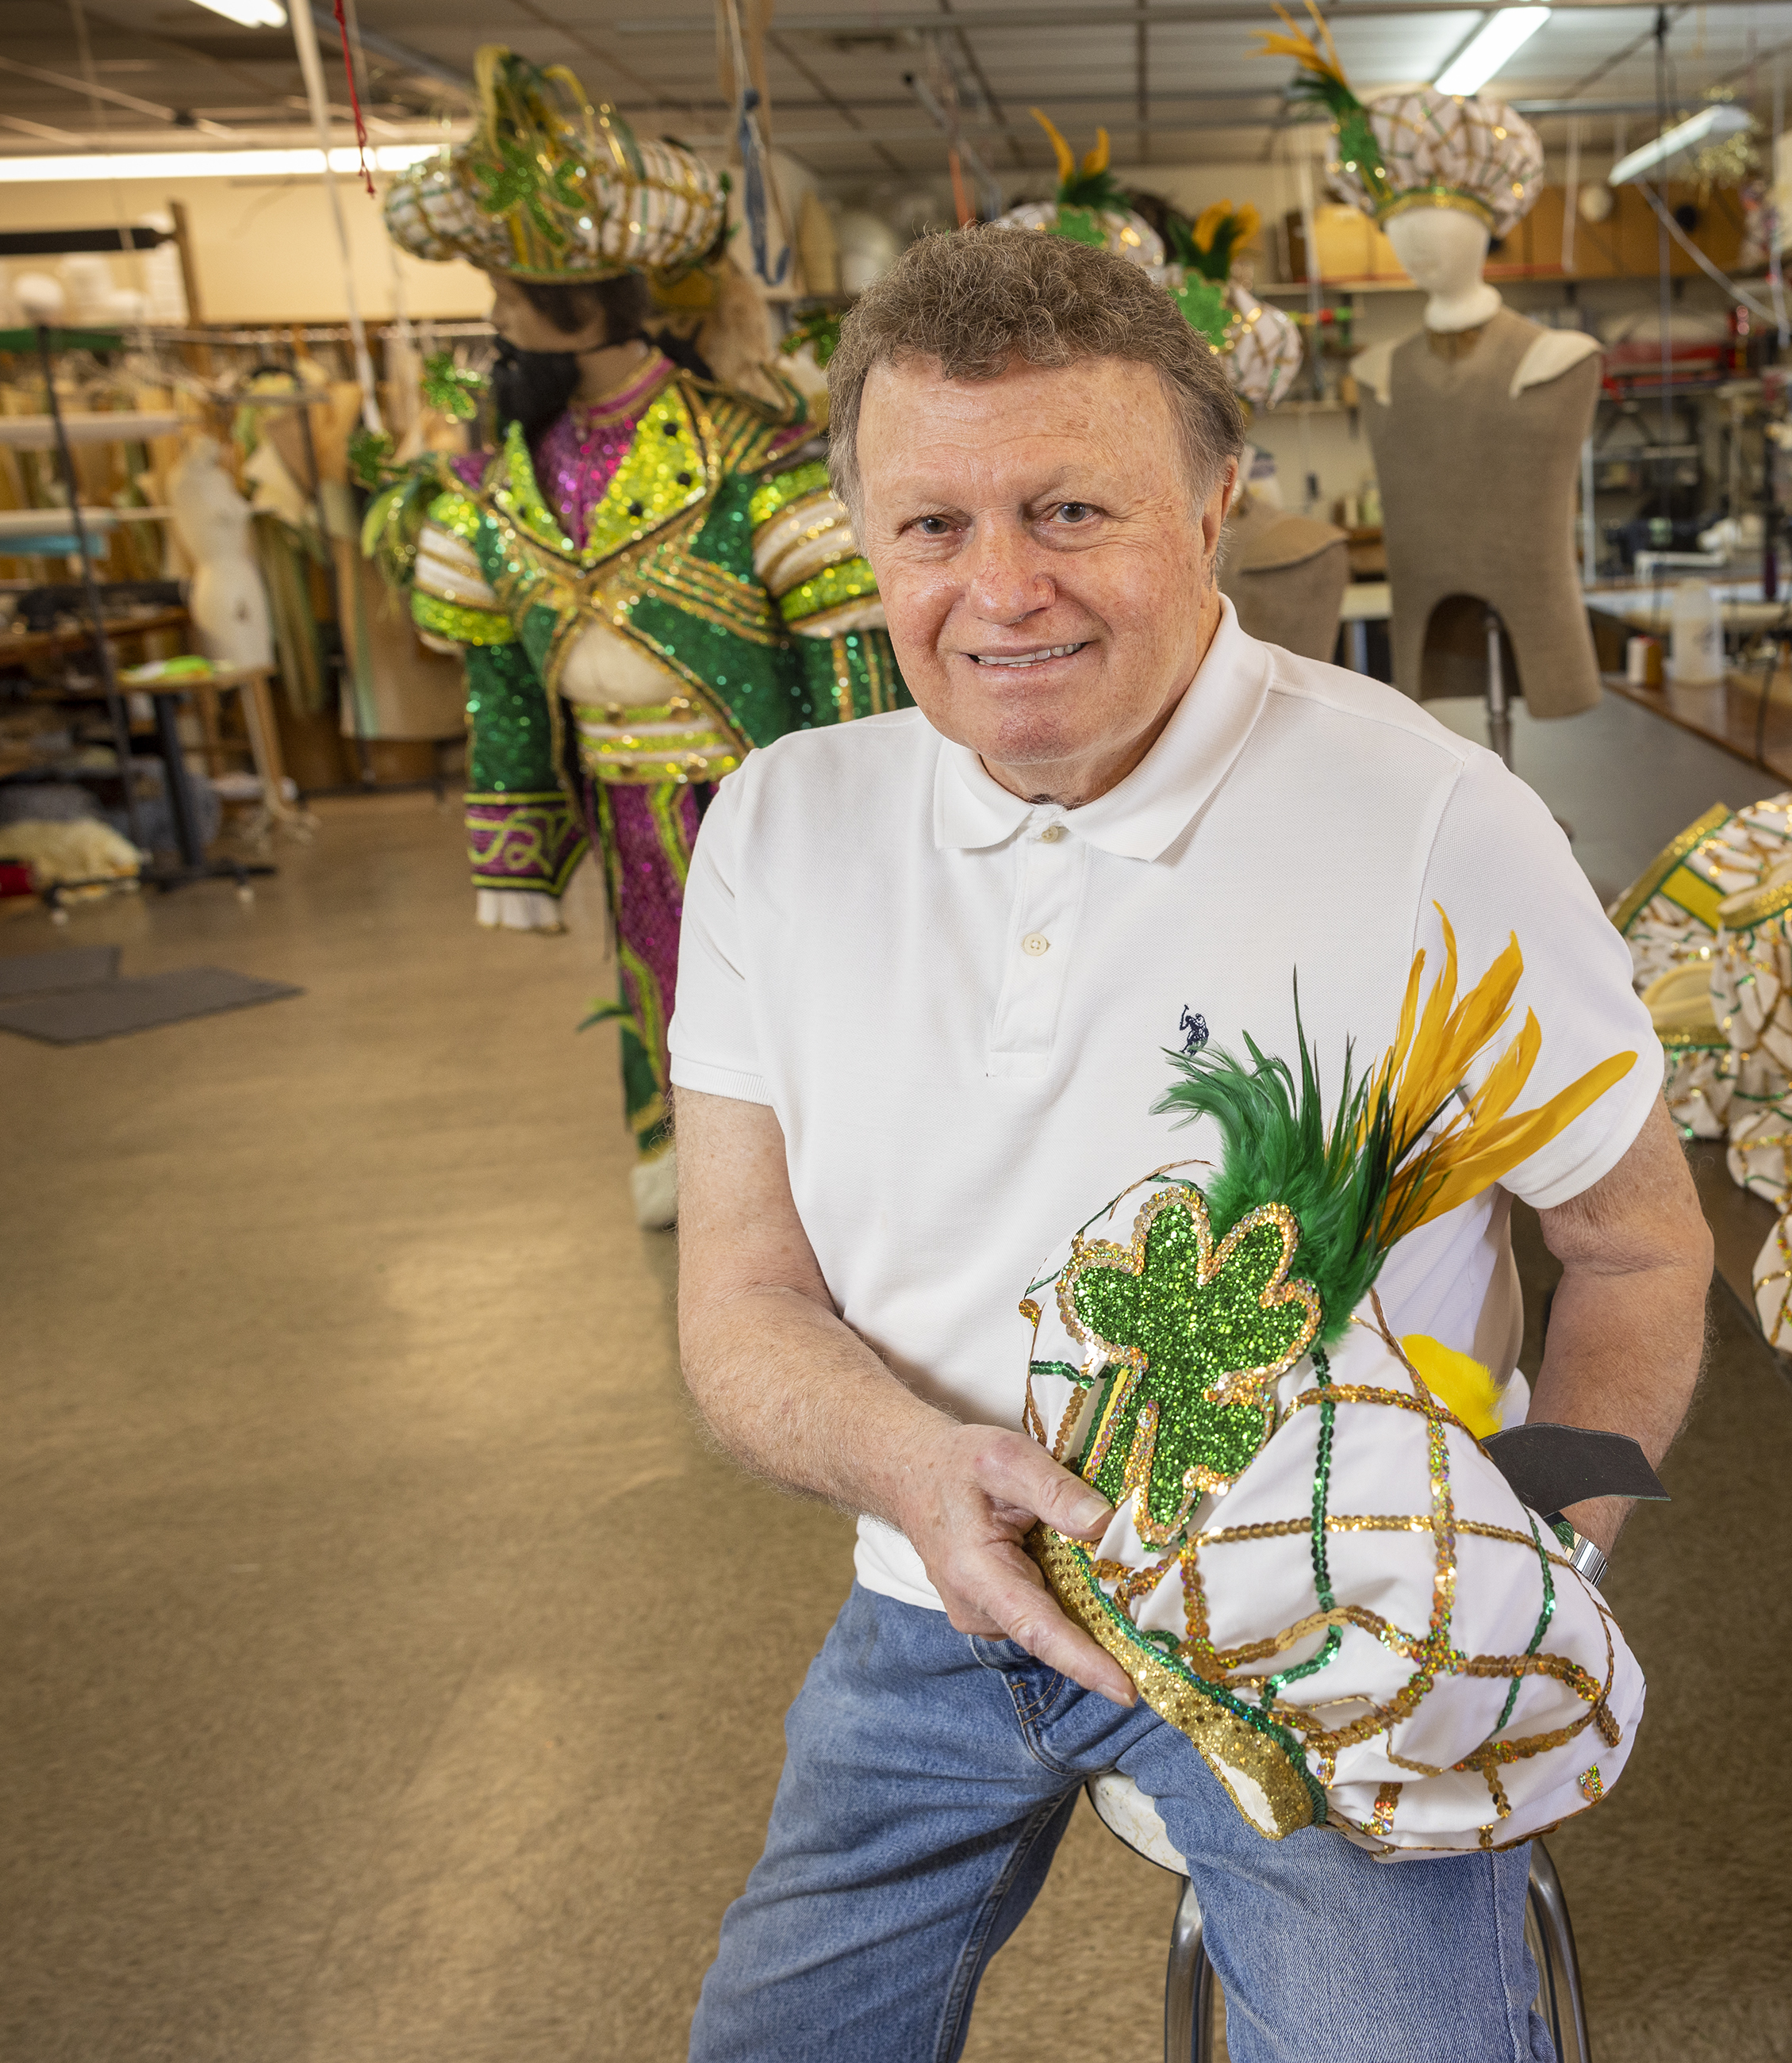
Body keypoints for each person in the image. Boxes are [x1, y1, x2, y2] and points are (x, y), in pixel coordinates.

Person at [668, 224, 1712, 2061]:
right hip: (932, 1609)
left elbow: (1638, 1244)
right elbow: (743, 1292)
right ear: (860, 539)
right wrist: (919, 1471)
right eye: (931, 527)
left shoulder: (1429, 821)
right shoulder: (777, 824)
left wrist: (1522, 1562)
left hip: (1311, 1633)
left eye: (1072, 510)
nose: (1000, 592)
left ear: (1219, 500)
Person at [379, 48, 905, 1229]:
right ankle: (682, 1158)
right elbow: (501, 677)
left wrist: (878, 816)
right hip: (620, 798)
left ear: (588, 293)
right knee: (651, 981)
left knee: (795, 985)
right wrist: (513, 834)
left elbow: (847, 663)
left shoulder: (750, 456)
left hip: (754, 790)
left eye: (512, 281)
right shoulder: (497, 480)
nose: (496, 307)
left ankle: (831, 1169)